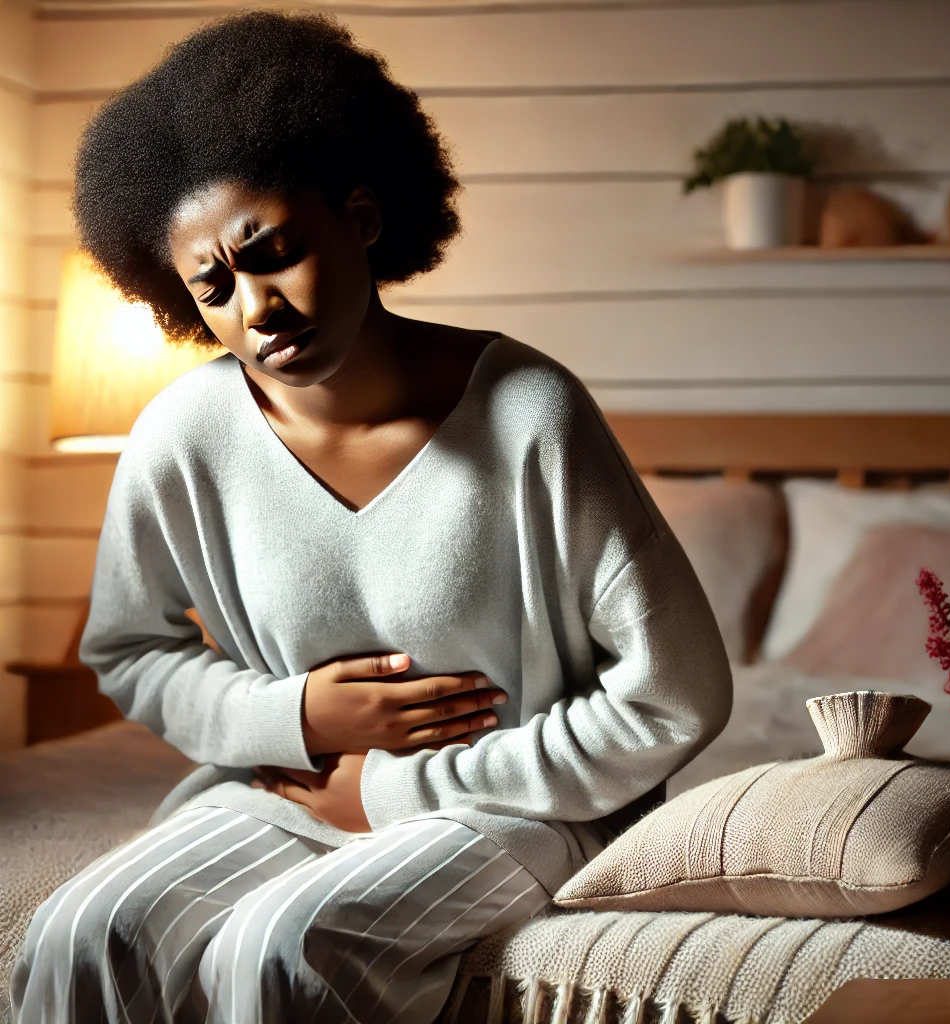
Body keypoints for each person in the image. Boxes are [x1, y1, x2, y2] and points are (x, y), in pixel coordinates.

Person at [11, 11, 732, 1023]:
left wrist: (390, 791)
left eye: (274, 252)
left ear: (360, 214)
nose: (255, 309)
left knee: (284, 949)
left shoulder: (528, 410)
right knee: (87, 930)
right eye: (213, 286)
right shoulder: (182, 434)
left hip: (519, 804)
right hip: (288, 792)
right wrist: (296, 717)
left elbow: (676, 691)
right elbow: (129, 647)